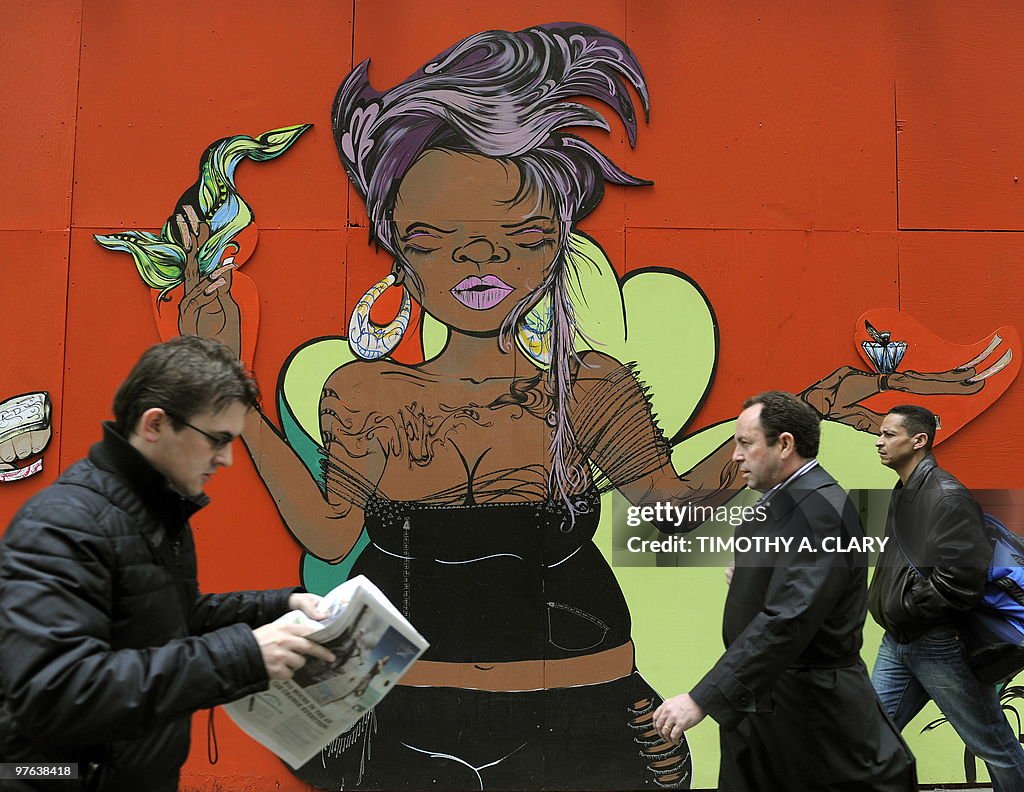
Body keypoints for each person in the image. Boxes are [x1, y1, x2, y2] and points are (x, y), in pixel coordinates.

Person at [171, 22, 994, 789]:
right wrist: (232, 378)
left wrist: (793, 425)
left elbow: (668, 505)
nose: (480, 258)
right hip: (398, 714)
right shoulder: (362, 388)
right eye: (435, 236)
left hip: (584, 710)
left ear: (554, 246)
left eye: (522, 235)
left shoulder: (590, 385)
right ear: (395, 245)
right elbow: (330, 530)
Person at [0, 336, 336, 792]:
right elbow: (56, 691)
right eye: (217, 439)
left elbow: (170, 621)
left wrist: (283, 606)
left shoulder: (154, 509)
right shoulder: (61, 525)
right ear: (155, 424)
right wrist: (245, 655)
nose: (227, 458)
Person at [653, 391, 916, 791]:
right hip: (770, 706)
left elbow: (789, 617)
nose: (735, 456)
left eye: (745, 443)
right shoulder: (786, 501)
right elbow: (790, 587)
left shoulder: (818, 511)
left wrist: (703, 698)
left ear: (785, 444)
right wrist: (751, 577)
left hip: (808, 713)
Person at [869, 404, 1024, 791]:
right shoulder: (907, 491)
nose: (879, 442)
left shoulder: (946, 496)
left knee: (993, 744)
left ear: (918, 440)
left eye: (889, 434)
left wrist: (907, 607)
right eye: (881, 433)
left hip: (936, 643)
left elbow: (960, 582)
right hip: (900, 640)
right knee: (866, 737)